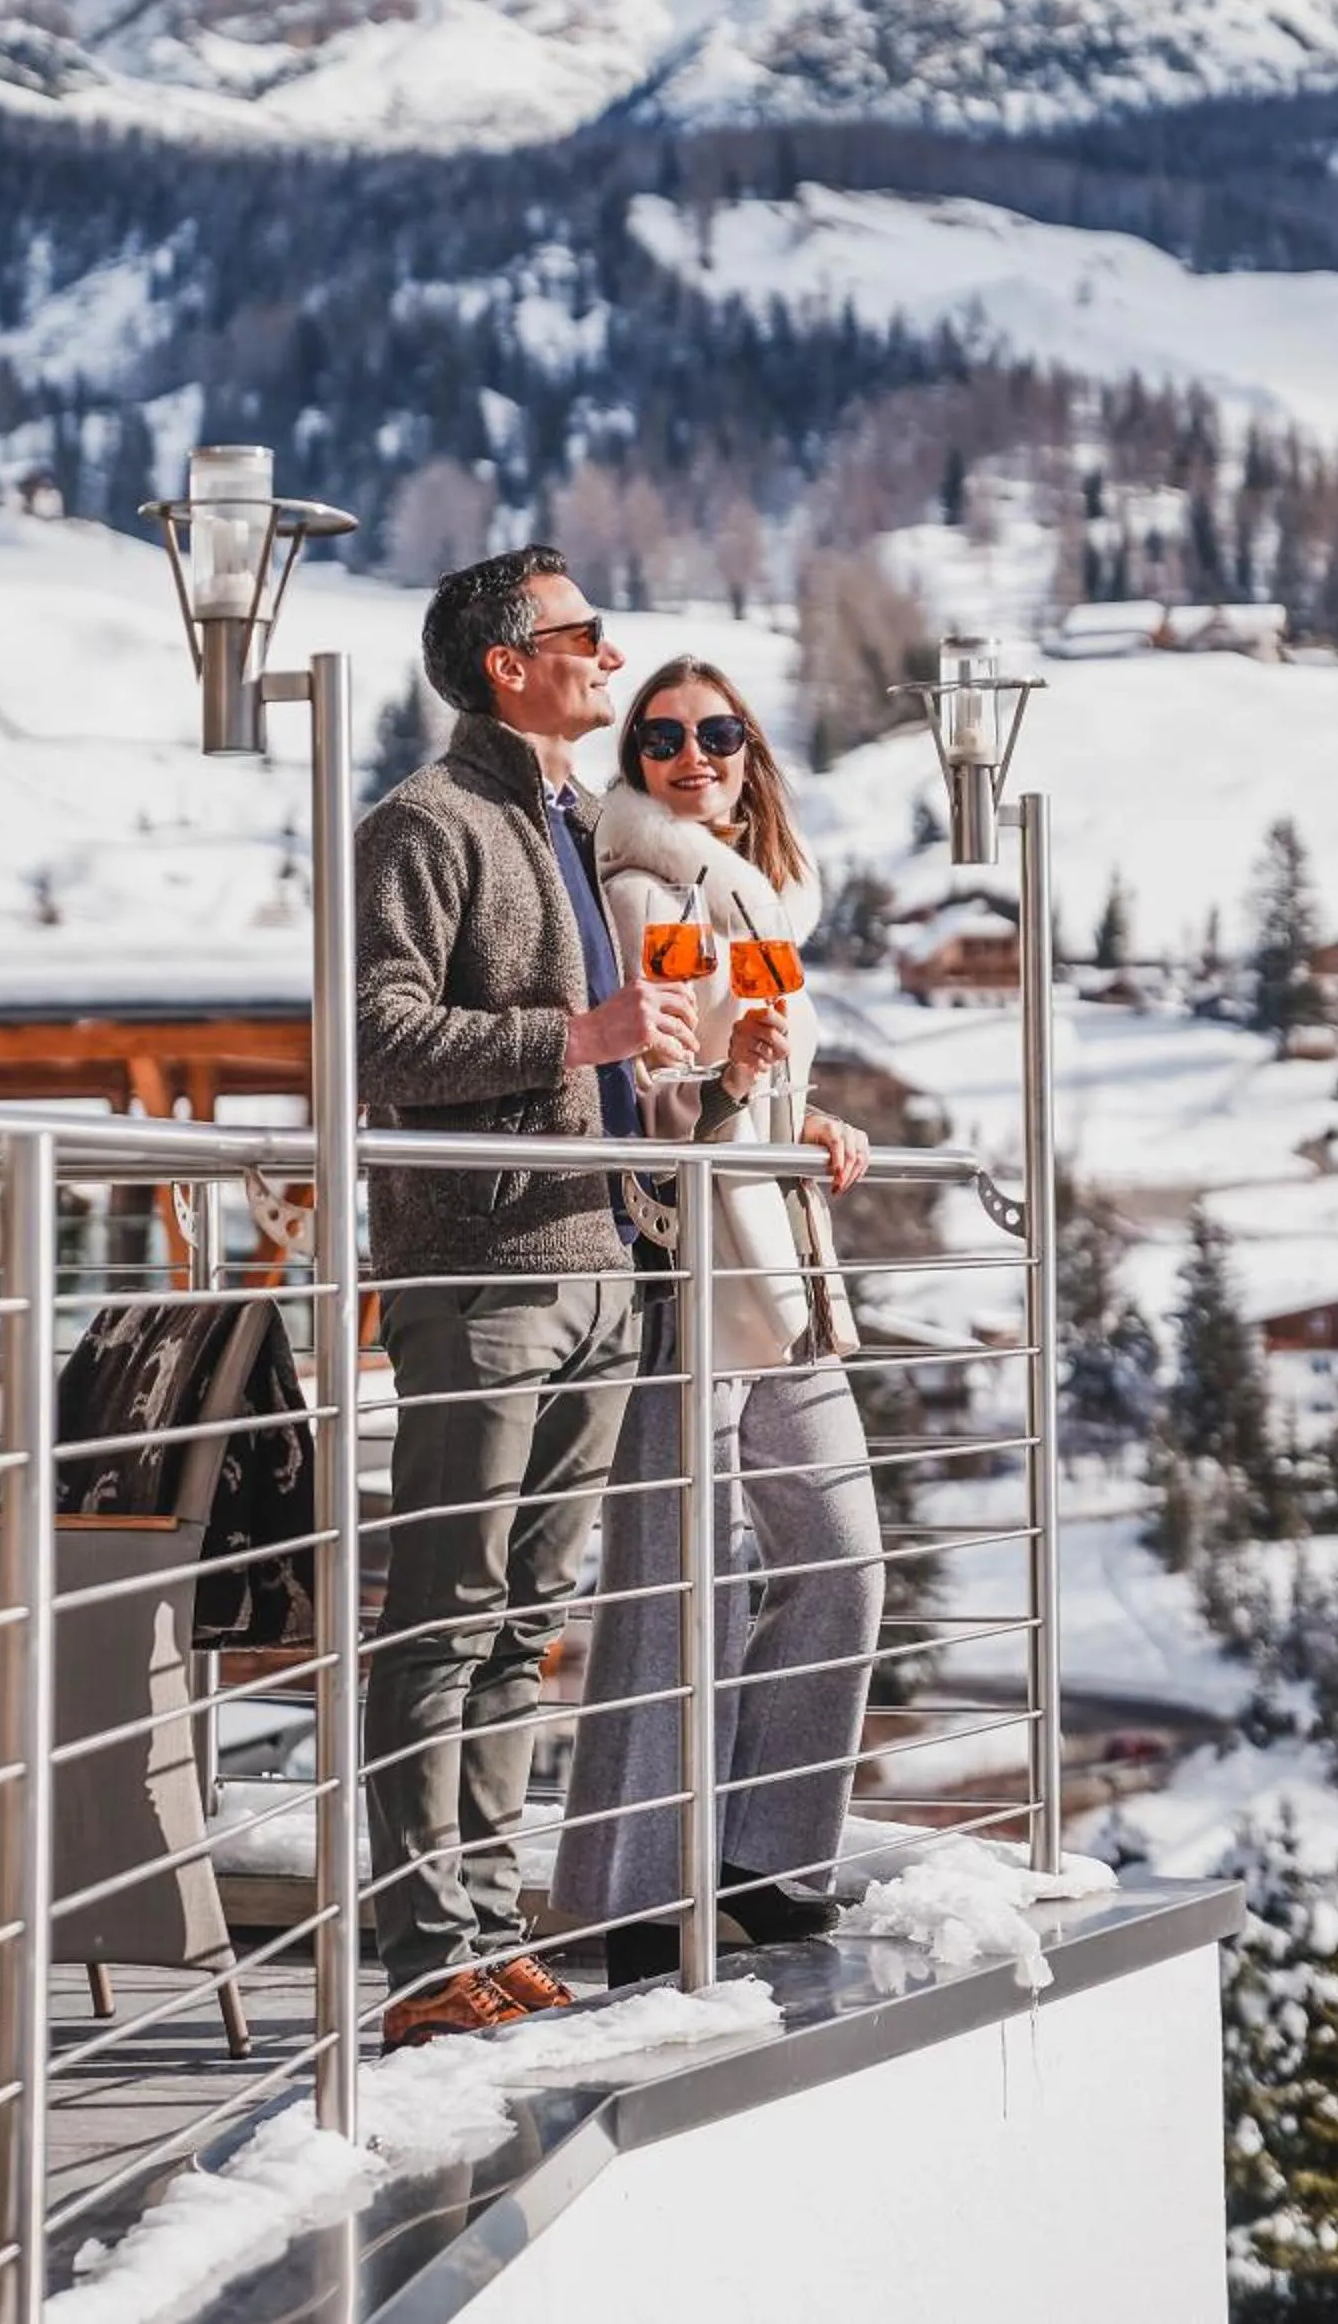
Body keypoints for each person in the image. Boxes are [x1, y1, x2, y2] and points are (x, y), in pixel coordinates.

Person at [355, 547, 700, 2049]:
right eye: (586, 635)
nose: (610, 659)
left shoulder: (564, 816)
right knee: (447, 1615)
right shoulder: (424, 824)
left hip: (599, 1260)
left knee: (524, 1622)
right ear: (509, 662)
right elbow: (381, 1043)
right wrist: (585, 1031)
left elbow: (597, 1047)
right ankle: (427, 1950)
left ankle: (488, 1929)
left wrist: (679, 1070)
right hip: (484, 1271)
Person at [552, 656, 884, 1984]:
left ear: (752, 755)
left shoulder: (744, 897)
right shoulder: (657, 892)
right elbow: (662, 1094)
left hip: (777, 1276)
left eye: (721, 733)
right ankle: (632, 1894)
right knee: (671, 1577)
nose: (696, 754)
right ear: (635, 760)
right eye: (667, 735)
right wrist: (738, 1089)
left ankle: (760, 1858)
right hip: (693, 1276)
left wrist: (799, 1114)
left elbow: (743, 1081)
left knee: (840, 1556)